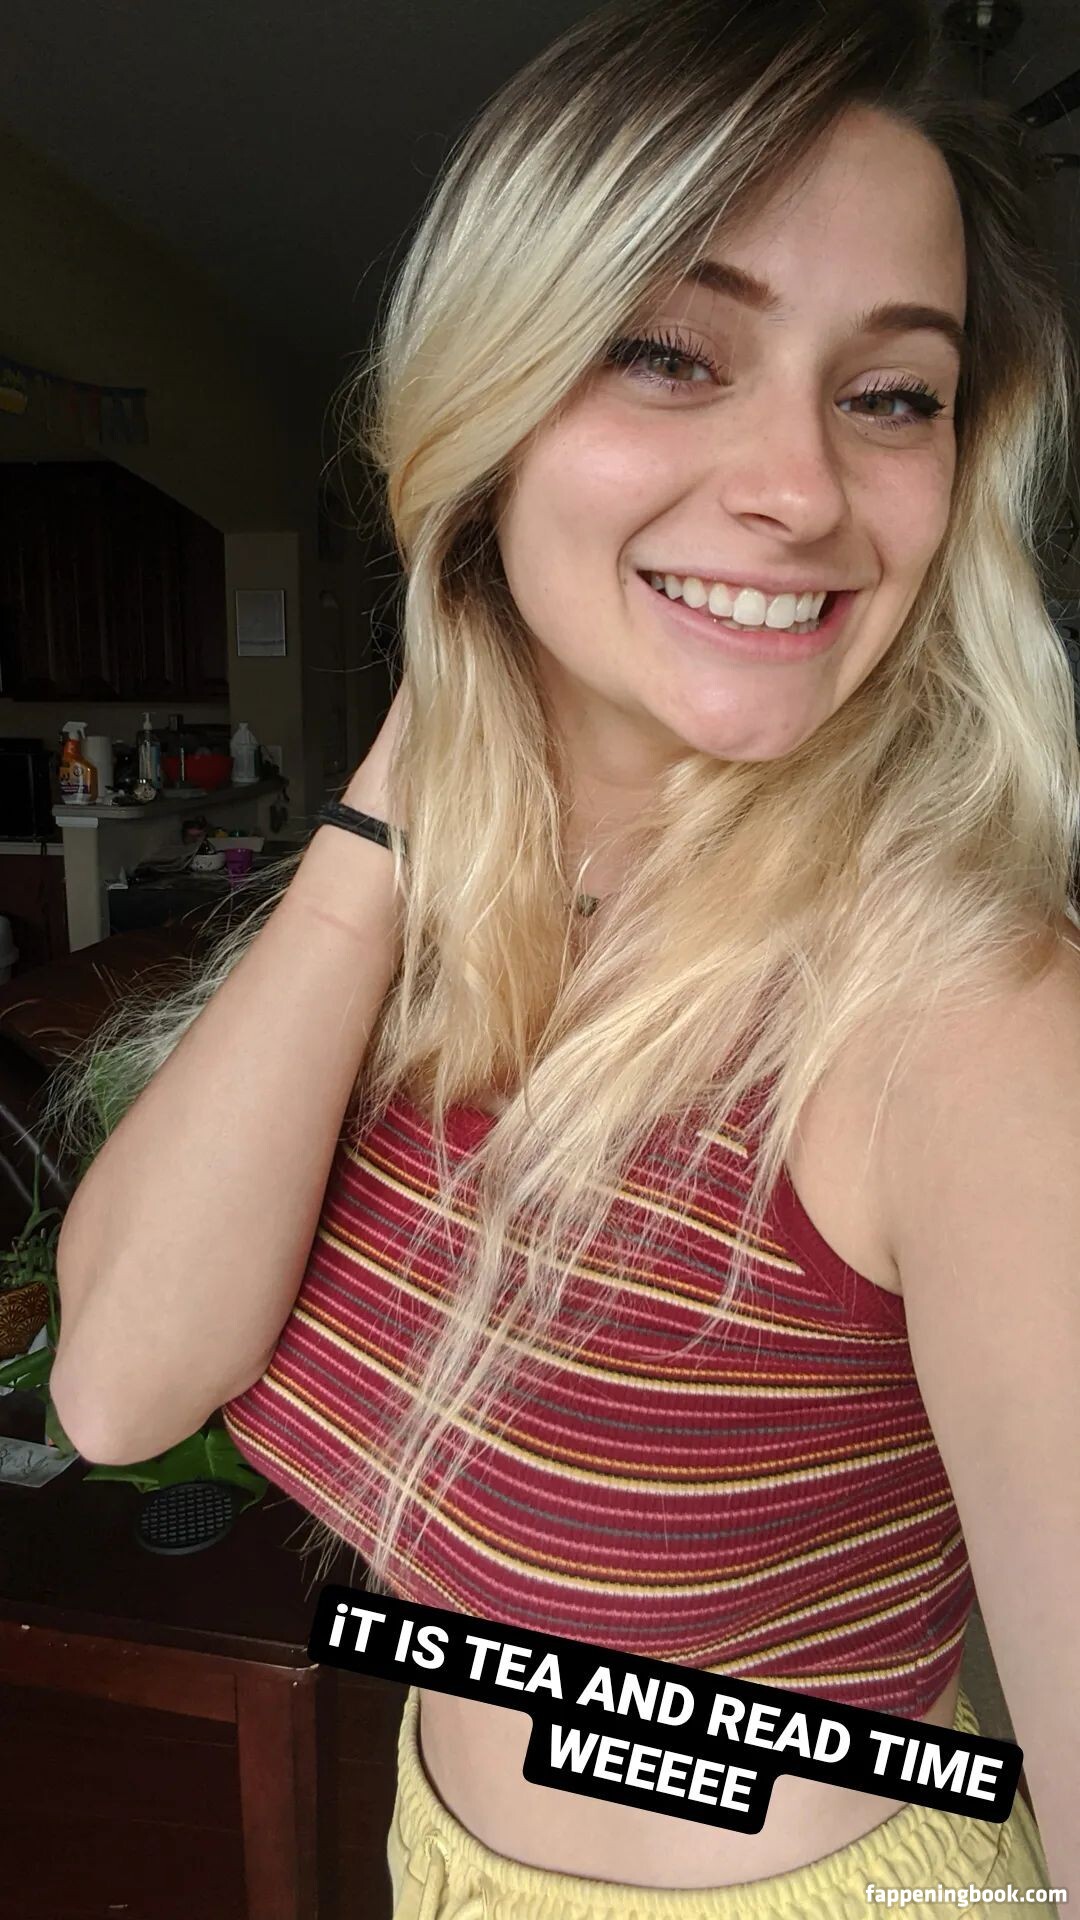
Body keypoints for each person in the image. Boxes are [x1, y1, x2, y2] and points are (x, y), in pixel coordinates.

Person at [47, 0, 1079, 1912]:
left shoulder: (970, 1017)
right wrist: (407, 783)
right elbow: (116, 1390)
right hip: (435, 1854)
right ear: (489, 406)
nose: (803, 488)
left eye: (891, 394)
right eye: (672, 353)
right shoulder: (442, 899)